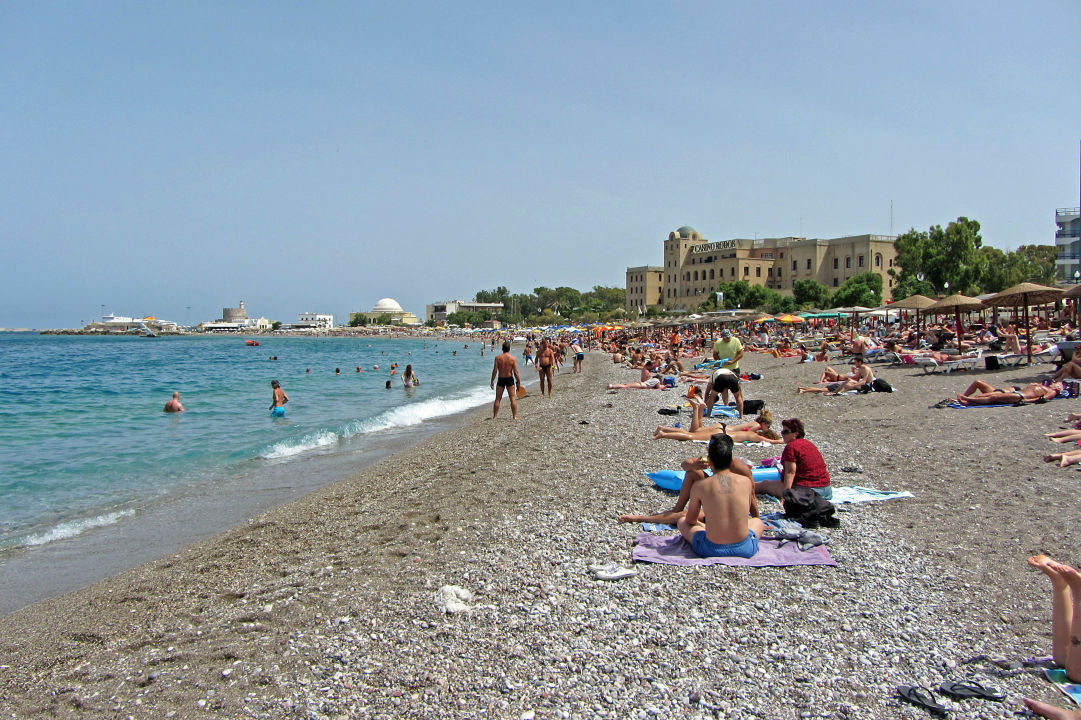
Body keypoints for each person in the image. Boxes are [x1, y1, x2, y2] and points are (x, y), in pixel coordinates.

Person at [677, 434, 764, 559]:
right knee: (757, 521)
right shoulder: (746, 482)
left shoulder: (700, 486)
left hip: (711, 549)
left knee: (682, 521)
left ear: (710, 461)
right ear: (731, 460)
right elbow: (748, 509)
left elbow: (690, 520)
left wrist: (704, 525)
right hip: (745, 549)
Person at [617, 449, 758, 525]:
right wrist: (694, 465)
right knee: (692, 473)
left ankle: (642, 518)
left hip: (728, 503)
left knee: (685, 519)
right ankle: (676, 509)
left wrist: (756, 517)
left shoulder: (739, 468)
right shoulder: (717, 460)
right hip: (720, 493)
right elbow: (684, 464)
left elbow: (752, 496)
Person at [754, 418, 832, 499]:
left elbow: (790, 472)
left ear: (796, 433)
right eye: (782, 432)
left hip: (807, 492)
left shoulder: (791, 447)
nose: (782, 434)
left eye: (786, 432)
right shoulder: (809, 444)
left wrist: (786, 496)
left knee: (764, 485)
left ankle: (746, 489)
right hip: (826, 490)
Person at [653, 397, 780, 443]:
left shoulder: (755, 425)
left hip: (724, 429)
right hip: (723, 432)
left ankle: (663, 429)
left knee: (693, 431)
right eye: (767, 427)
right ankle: (664, 433)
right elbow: (768, 440)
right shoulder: (756, 429)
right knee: (692, 434)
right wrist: (780, 440)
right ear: (764, 423)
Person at [954, 379, 1061, 406]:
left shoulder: (1052, 391)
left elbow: (1042, 399)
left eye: (1057, 384)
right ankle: (967, 402)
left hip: (1020, 396)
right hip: (1018, 394)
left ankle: (967, 399)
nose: (1055, 384)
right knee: (990, 396)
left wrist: (1027, 401)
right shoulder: (1040, 385)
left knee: (994, 398)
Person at [490, 341, 521, 419]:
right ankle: (514, 416)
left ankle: (495, 416)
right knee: (512, 398)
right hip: (509, 379)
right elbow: (515, 372)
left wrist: (492, 381)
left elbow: (495, 370)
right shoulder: (513, 359)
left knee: (498, 398)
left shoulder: (498, 358)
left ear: (502, 348)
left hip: (501, 379)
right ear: (509, 349)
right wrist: (518, 381)